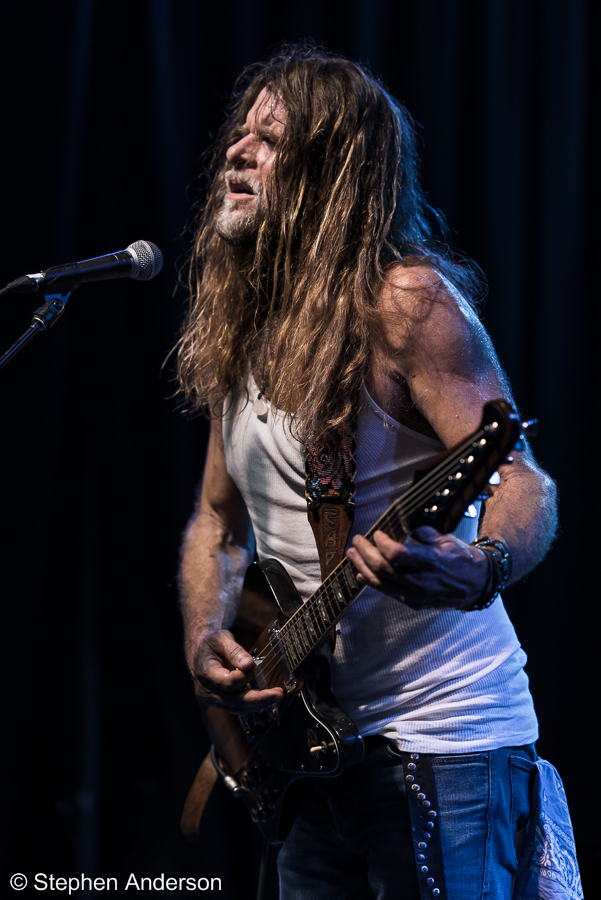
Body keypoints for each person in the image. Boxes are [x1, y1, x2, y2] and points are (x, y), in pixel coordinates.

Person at [175, 45, 558, 900]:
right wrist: (206, 640)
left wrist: (481, 566)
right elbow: (216, 522)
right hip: (311, 749)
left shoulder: (406, 305)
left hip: (444, 744)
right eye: (239, 133)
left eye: (270, 140)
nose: (237, 151)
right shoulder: (243, 323)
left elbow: (524, 478)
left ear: (331, 173)